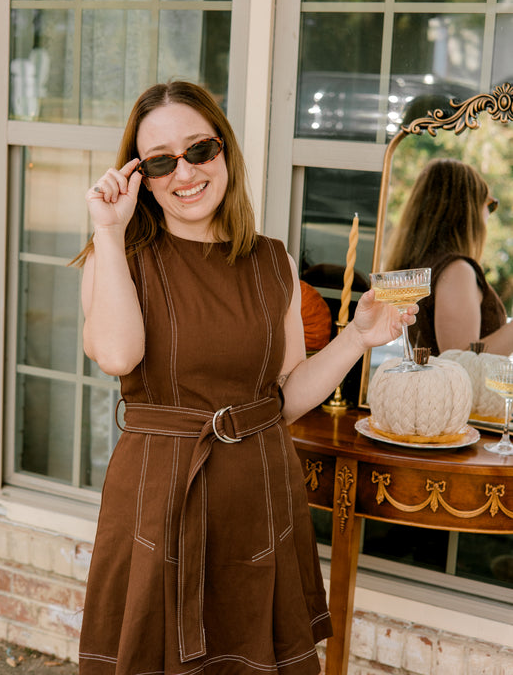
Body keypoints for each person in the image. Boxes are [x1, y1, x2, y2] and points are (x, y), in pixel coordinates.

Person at [75, 81, 417, 675]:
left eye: (199, 150)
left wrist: (357, 338)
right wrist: (108, 229)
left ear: (224, 150)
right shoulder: (119, 257)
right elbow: (116, 356)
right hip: (159, 501)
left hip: (258, 496)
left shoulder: (272, 262)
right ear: (141, 177)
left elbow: (282, 399)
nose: (184, 173)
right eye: (160, 161)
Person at [384, 157, 512, 356]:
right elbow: (460, 360)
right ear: (467, 210)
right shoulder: (456, 271)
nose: (488, 214)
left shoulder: (424, 269)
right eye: (489, 204)